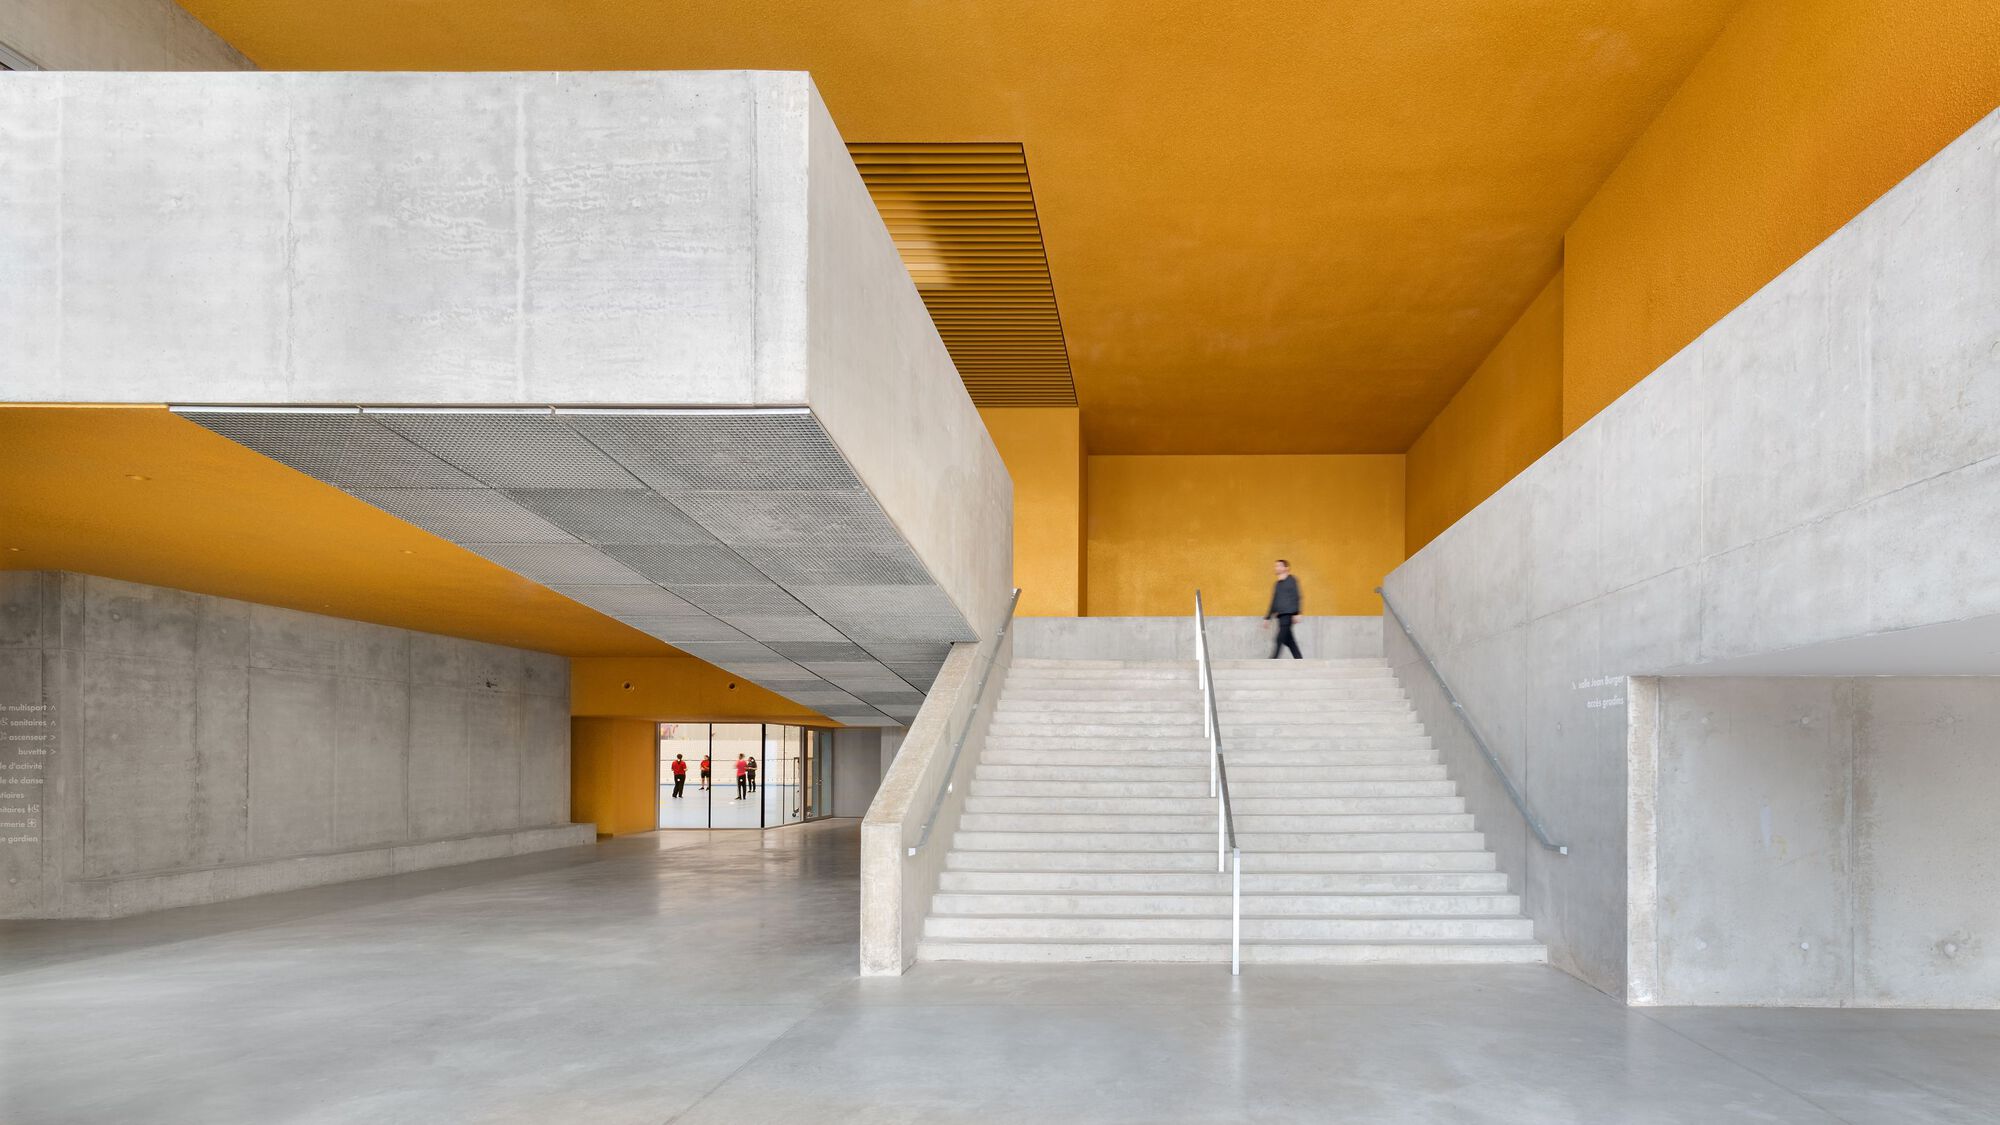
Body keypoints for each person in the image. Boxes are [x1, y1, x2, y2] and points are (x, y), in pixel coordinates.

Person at [1264, 558, 1303, 659]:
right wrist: (1267, 618)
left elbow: (1297, 596)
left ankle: (1272, 660)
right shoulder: (1277, 584)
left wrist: (1297, 613)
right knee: (1289, 640)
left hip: (1288, 614)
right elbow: (1274, 602)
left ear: (1286, 568)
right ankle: (1300, 660)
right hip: (1281, 616)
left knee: (1279, 639)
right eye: (1276, 566)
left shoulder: (1292, 580)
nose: (1276, 568)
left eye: (1279, 566)